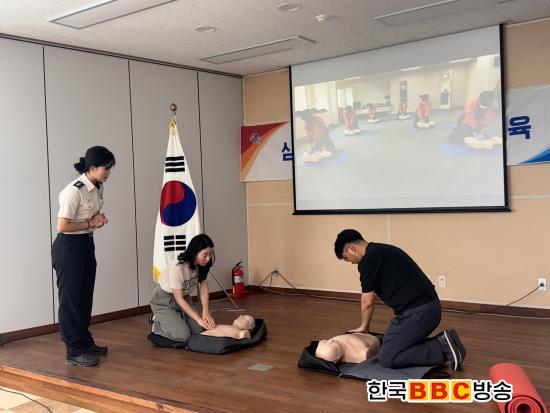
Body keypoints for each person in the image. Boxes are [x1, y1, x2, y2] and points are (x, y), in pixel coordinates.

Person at [334, 229, 466, 371]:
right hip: (429, 308)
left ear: (351, 249)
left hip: (419, 314)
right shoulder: (384, 249)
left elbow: (367, 302)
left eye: (346, 258)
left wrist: (363, 326)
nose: (350, 262)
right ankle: (444, 342)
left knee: (387, 358)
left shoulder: (368, 260)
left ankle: (442, 347)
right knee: (392, 344)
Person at [51, 146, 116, 367]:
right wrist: (90, 223)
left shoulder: (98, 186)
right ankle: (74, 351)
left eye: (110, 168)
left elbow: (89, 216)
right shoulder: (73, 190)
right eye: (106, 168)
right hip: (68, 248)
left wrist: (98, 219)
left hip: (85, 245)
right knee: (71, 301)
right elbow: (62, 226)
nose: (108, 172)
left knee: (84, 297)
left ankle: (85, 342)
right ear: (92, 167)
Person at [150, 234, 216, 343]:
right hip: (164, 300)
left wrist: (206, 312)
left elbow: (203, 289)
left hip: (184, 298)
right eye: (205, 254)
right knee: (183, 336)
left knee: (198, 329)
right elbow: (179, 298)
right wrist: (198, 318)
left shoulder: (203, 266)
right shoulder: (177, 267)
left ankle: (177, 318)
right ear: (195, 252)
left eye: (211, 254)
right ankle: (157, 322)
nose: (208, 258)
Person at [315, 333, 380, 364]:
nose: (331, 340)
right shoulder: (335, 342)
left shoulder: (346, 340)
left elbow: (364, 349)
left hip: (368, 342)